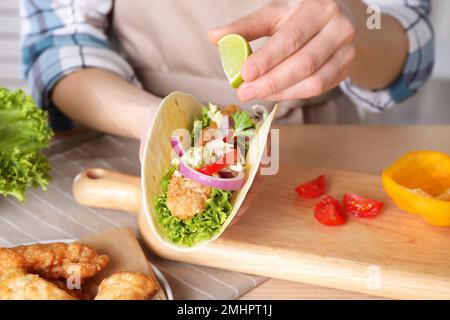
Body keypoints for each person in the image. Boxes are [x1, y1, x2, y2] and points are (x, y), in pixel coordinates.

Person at [21, 0, 434, 153]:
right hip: (143, 144)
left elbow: (405, 38)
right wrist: (157, 120)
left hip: (322, 147)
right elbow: (60, 43)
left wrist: (355, 22)